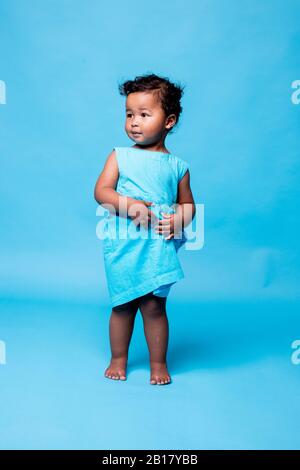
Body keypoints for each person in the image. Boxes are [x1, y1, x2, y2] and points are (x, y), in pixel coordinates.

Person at [94, 73, 195, 385]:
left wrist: (178, 219)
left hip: (156, 247)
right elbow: (102, 192)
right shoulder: (119, 156)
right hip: (125, 244)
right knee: (122, 304)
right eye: (129, 114)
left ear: (169, 121)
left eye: (144, 115)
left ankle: (157, 363)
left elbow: (188, 206)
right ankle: (119, 358)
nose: (133, 122)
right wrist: (129, 205)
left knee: (154, 307)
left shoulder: (177, 166)